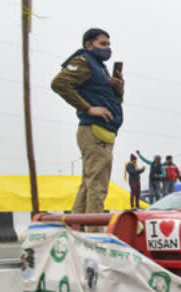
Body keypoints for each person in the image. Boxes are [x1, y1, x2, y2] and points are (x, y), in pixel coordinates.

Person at [51, 28, 124, 227]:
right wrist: (89, 108)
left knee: (89, 184)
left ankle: (76, 229)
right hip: (94, 131)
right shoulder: (84, 62)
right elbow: (59, 84)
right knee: (97, 187)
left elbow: (106, 99)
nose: (107, 48)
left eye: (109, 44)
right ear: (88, 44)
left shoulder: (100, 68)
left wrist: (118, 90)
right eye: (103, 44)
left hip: (102, 132)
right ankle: (94, 233)